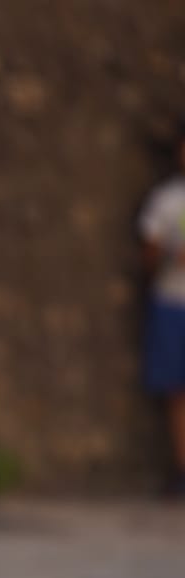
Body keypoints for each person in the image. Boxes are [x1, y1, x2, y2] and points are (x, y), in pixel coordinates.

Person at [138, 120, 185, 498]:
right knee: (176, 392)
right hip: (174, 302)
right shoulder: (167, 201)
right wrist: (172, 257)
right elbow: (149, 258)